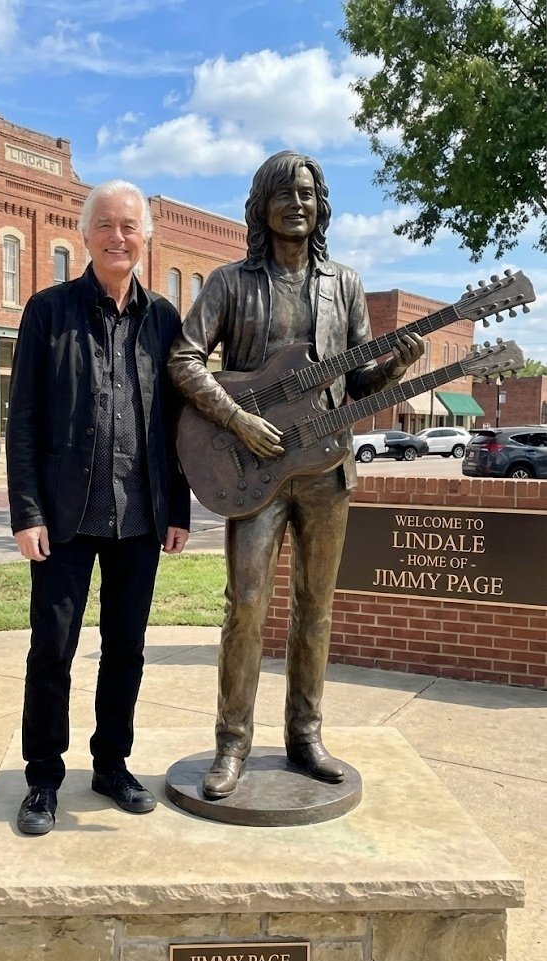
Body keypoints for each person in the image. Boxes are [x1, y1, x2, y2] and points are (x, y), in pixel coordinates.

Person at [168, 151, 423, 799]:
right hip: (253, 467)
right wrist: (239, 420)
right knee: (247, 605)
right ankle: (232, 743)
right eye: (283, 193)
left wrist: (393, 369)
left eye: (307, 193)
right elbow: (184, 358)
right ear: (261, 205)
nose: (297, 203)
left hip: (325, 466)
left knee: (317, 606)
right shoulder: (229, 283)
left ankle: (305, 736)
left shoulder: (346, 284)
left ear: (322, 204)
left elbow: (354, 382)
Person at [7, 179, 190, 834]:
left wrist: (180, 508)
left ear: (146, 236)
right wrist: (26, 511)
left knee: (127, 647)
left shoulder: (165, 320)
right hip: (62, 518)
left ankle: (111, 762)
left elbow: (178, 422)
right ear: (86, 235)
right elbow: (23, 419)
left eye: (130, 226)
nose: (119, 237)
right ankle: (43, 778)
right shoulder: (48, 311)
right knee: (52, 647)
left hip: (139, 517)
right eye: (106, 225)